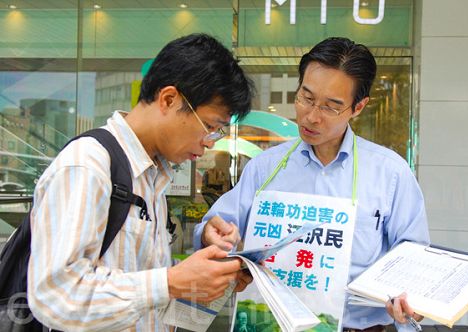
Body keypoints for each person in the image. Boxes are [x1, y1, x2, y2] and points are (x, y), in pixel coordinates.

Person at [194, 36, 430, 331]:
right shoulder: (266, 167)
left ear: (358, 108)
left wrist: (412, 303)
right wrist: (210, 236)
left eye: (331, 107)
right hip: (270, 324)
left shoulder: (390, 173)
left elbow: (413, 261)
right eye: (306, 98)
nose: (312, 116)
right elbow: (213, 227)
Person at [28, 33, 254, 331]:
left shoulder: (152, 177)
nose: (210, 143)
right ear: (169, 99)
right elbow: (55, 297)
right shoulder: (88, 165)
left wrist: (207, 276)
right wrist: (171, 281)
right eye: (210, 127)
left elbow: (147, 290)